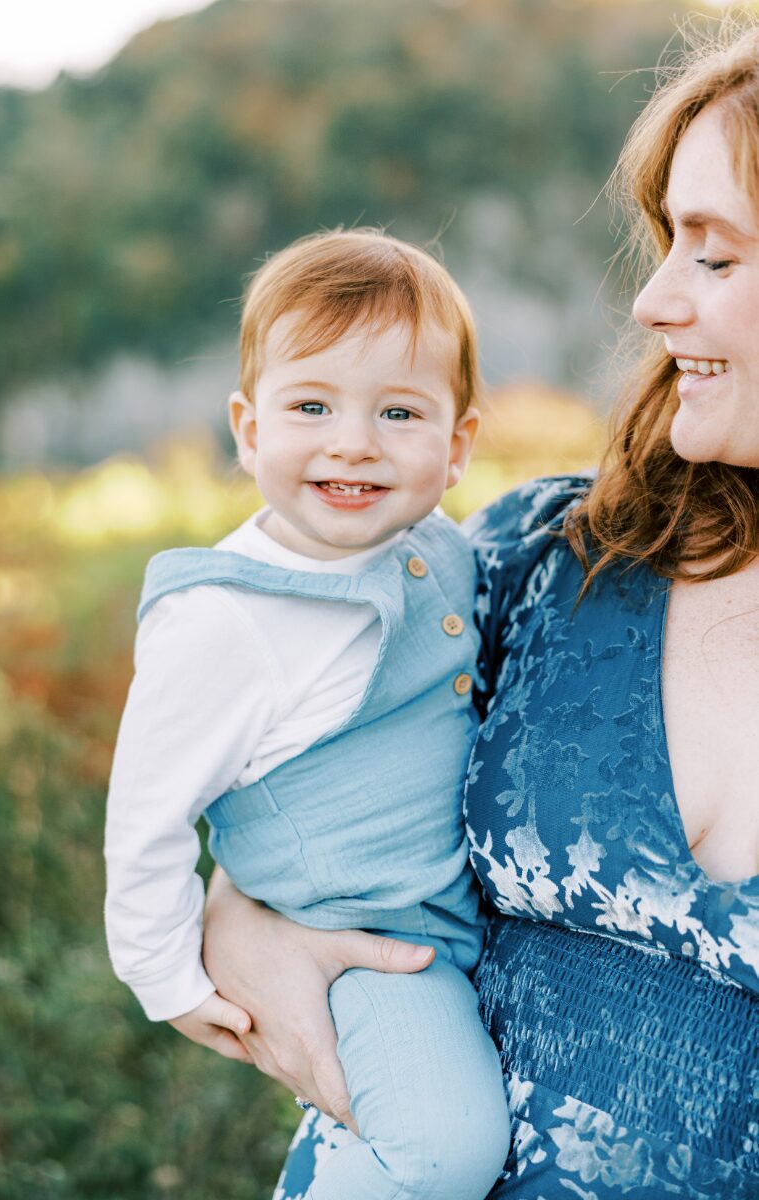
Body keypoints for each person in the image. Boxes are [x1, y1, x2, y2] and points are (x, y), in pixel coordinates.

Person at [199, 27, 759, 1198]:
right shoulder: (536, 563)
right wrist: (233, 914)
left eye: (713, 257)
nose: (654, 300)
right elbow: (280, 756)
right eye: (665, 245)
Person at [106, 229, 508, 1197]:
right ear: (248, 430)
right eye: (312, 405)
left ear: (455, 447)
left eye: (398, 411)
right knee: (447, 1148)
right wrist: (167, 980)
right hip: (363, 947)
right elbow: (147, 820)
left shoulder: (441, 550)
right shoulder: (224, 621)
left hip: (455, 918)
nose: (352, 442)